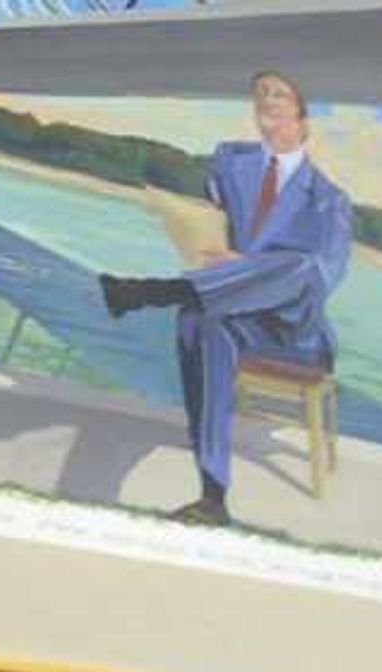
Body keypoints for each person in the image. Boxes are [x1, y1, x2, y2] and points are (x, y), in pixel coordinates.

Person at [97, 69, 352, 529]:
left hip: (292, 328)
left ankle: (151, 292)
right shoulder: (231, 165)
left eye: (279, 93)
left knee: (301, 266)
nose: (268, 101)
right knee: (201, 323)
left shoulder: (329, 200)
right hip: (232, 314)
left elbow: (325, 280)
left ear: (304, 114)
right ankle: (213, 496)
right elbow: (209, 217)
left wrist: (240, 266)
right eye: (261, 95)